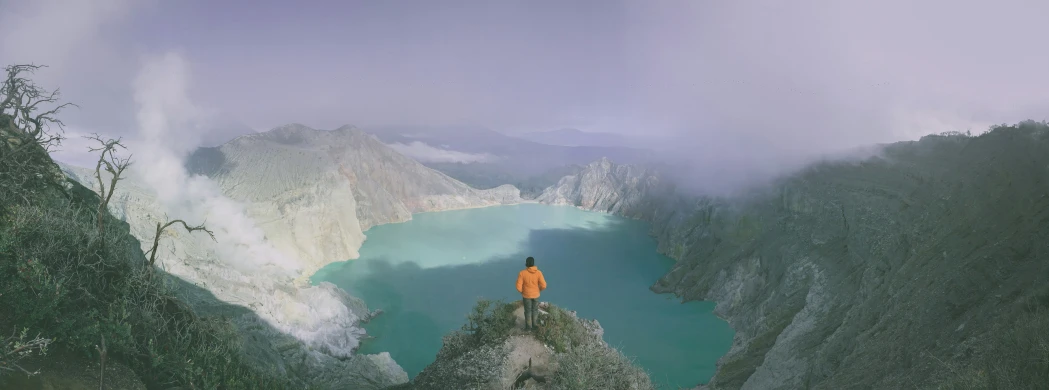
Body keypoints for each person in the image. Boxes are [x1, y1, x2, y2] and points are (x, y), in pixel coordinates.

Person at [515, 256, 547, 331]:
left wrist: (522, 291)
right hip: (536, 295)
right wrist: (538, 290)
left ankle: (528, 327)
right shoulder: (539, 273)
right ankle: (535, 326)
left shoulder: (522, 273)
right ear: (533, 263)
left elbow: (518, 286)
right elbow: (544, 285)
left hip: (526, 296)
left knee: (528, 311)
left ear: (526, 263)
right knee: (535, 310)